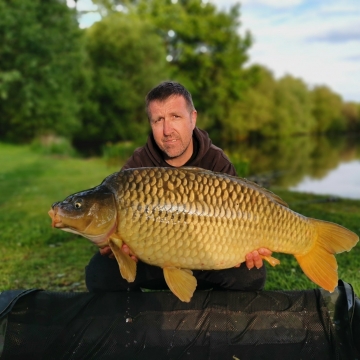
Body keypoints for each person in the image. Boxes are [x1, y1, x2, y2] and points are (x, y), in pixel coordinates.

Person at [86, 81, 272, 293]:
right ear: (151, 124)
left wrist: (251, 249)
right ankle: (135, 321)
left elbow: (242, 213)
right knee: (100, 273)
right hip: (152, 260)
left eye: (175, 117)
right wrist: (119, 249)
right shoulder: (137, 166)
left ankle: (216, 317)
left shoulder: (216, 161)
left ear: (193, 118)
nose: (167, 130)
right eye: (158, 120)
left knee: (251, 275)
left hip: (209, 259)